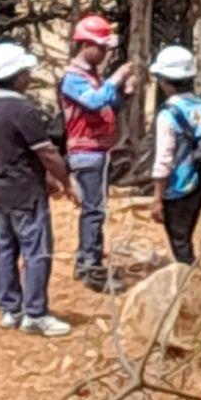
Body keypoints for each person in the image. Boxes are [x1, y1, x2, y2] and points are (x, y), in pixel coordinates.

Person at [0, 42, 77, 337]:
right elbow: (46, 152)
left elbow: (11, 152)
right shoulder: (22, 109)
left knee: (7, 249)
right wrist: (65, 181)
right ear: (17, 75)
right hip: (24, 192)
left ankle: (10, 308)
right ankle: (35, 313)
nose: (29, 76)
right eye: (25, 71)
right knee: (37, 251)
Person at [59, 15, 132, 291]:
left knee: (96, 209)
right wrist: (116, 79)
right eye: (100, 48)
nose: (103, 54)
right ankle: (90, 265)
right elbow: (94, 101)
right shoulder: (73, 79)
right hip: (85, 150)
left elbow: (108, 104)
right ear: (85, 45)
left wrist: (123, 94)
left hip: (99, 149)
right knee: (93, 210)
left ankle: (88, 260)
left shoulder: (92, 76)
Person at [149, 45, 201, 264]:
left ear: (164, 82)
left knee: (180, 241)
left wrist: (157, 198)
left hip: (178, 187)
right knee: (187, 232)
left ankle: (189, 281)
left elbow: (164, 159)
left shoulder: (167, 114)